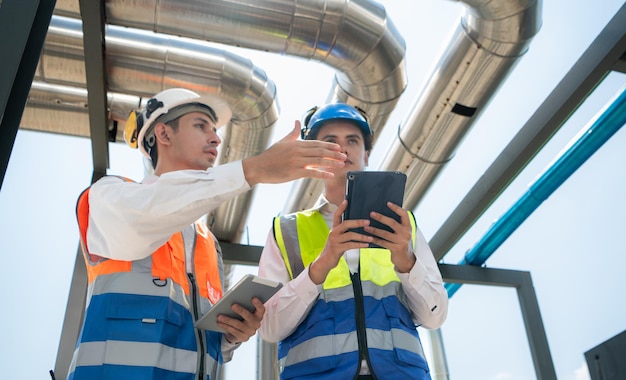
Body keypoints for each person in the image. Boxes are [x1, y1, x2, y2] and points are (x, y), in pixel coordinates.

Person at [68, 88, 347, 379]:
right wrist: (254, 169)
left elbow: (206, 346)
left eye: (215, 129)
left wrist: (231, 335)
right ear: (163, 134)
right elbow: (152, 210)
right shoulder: (108, 197)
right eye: (201, 126)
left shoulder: (206, 242)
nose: (216, 138)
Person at [257, 103, 448, 380]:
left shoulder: (403, 226)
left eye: (352, 141)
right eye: (330, 141)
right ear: (313, 156)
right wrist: (321, 266)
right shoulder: (286, 230)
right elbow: (270, 328)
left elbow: (435, 316)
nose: (342, 149)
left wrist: (407, 262)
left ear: (366, 154)